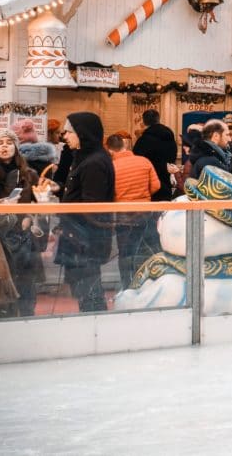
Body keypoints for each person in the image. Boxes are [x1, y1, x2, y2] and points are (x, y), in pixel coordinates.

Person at [54, 113, 116, 312]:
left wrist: (68, 219)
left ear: (83, 134)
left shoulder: (93, 163)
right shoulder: (85, 158)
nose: (65, 136)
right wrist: (60, 188)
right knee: (84, 288)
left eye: (69, 132)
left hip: (85, 241)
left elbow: (92, 206)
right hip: (80, 238)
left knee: (89, 289)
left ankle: (95, 325)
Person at [0, 129, 44, 317]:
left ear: (16, 147)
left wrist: (31, 217)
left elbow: (40, 204)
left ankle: (27, 322)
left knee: (26, 285)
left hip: (24, 237)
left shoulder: (29, 174)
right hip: (0, 240)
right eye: (0, 142)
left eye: (9, 142)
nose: (4, 146)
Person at [106, 134, 160, 289]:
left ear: (110, 150)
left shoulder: (112, 167)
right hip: (145, 212)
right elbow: (156, 186)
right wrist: (143, 195)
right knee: (149, 249)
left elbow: (111, 193)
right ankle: (151, 283)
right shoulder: (144, 161)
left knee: (125, 253)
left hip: (124, 215)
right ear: (125, 146)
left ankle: (127, 285)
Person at [131, 109, 178, 201]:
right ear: (158, 119)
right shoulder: (169, 136)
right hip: (165, 178)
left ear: (144, 122)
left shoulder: (143, 140)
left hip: (149, 181)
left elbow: (136, 159)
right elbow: (173, 154)